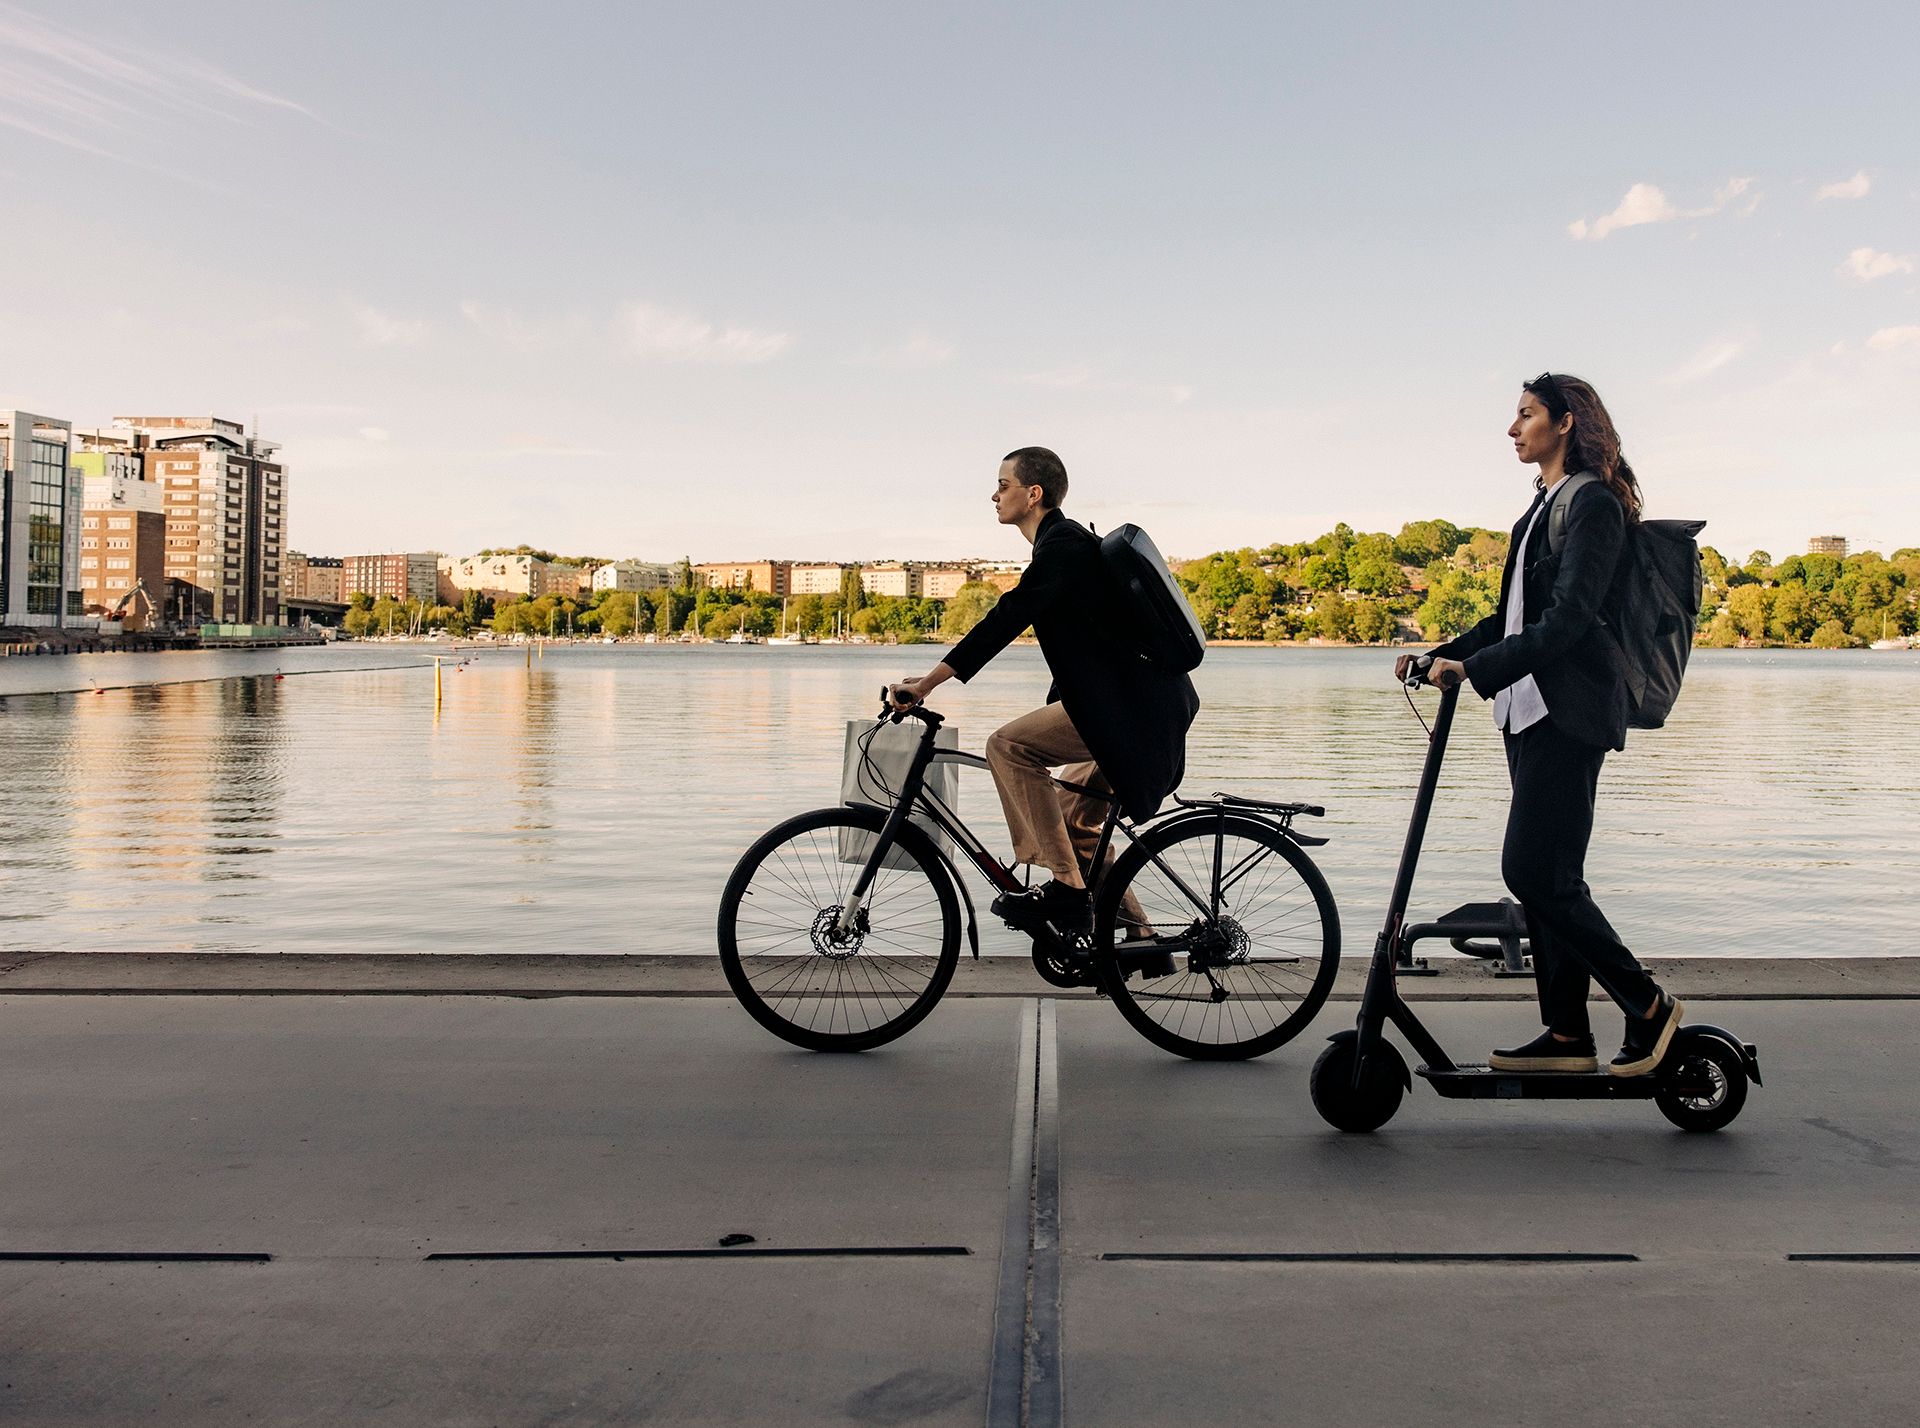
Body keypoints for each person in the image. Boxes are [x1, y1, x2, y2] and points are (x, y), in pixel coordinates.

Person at [1395, 373, 1683, 1077]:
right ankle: (1566, 1036)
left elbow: (1570, 622)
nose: (1512, 427)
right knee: (1549, 876)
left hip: (1571, 711)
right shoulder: (1538, 514)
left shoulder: (1591, 507)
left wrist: (1477, 671)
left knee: (1532, 869)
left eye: (1525, 414)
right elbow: (1512, 621)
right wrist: (1445, 655)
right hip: (1527, 715)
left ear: (1565, 422)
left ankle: (1647, 1005)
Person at [889, 446, 1199, 938]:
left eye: (1003, 485)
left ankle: (1068, 891)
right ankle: (1142, 938)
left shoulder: (1064, 547)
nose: (994, 495)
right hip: (1139, 708)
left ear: (1033, 494)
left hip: (1130, 713)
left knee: (1007, 746)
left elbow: (1006, 617)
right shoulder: (1065, 547)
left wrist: (926, 684)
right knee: (1074, 825)